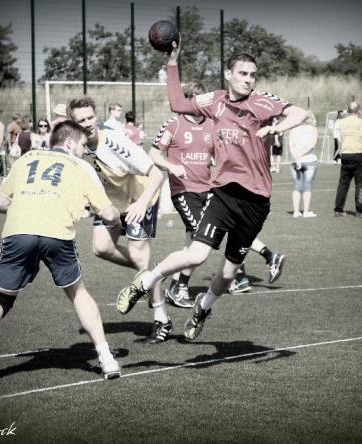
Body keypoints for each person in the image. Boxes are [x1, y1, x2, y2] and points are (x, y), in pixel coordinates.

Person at [117, 40, 307, 341]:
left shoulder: (262, 102)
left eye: (253, 75)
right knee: (196, 254)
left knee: (228, 273)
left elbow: (300, 113)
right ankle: (145, 283)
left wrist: (276, 128)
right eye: (242, 73)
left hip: (257, 202)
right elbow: (177, 103)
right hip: (223, 194)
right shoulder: (214, 101)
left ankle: (202, 309)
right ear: (228, 74)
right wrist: (172, 62)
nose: (248, 79)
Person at [0, 121, 122, 390]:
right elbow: (107, 213)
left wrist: (30, 203)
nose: (84, 150)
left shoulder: (26, 159)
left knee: (0, 296)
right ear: (69, 143)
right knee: (78, 292)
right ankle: (106, 358)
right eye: (82, 145)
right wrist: (117, 220)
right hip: (56, 232)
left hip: (18, 231)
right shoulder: (80, 166)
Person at [68, 97, 168, 343]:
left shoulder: (115, 142)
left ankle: (162, 319)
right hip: (111, 204)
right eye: (81, 120)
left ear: (96, 116)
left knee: (140, 257)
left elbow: (156, 174)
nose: (87, 123)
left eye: (90, 117)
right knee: (101, 248)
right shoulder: (75, 148)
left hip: (139, 199)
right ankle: (152, 273)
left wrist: (141, 203)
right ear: (73, 123)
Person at [149, 81, 215, 308]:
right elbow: (154, 154)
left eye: (204, 99)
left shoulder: (212, 124)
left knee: (192, 246)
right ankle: (179, 286)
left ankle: (166, 279)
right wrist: (171, 166)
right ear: (187, 100)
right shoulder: (173, 124)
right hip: (184, 191)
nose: (201, 103)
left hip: (208, 190)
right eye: (196, 98)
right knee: (201, 239)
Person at [333, 101, 362, 217]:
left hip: (346, 153)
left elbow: (340, 137)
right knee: (360, 183)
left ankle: (338, 209)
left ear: (348, 110)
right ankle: (360, 210)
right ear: (359, 111)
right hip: (359, 153)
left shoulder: (342, 122)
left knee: (343, 183)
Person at [288, 110, 319, 218]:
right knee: (307, 187)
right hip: (309, 160)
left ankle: (296, 212)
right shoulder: (313, 129)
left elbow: (291, 145)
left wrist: (296, 157)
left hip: (295, 162)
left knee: (297, 186)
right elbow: (312, 145)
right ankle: (305, 212)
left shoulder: (293, 130)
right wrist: (300, 155)